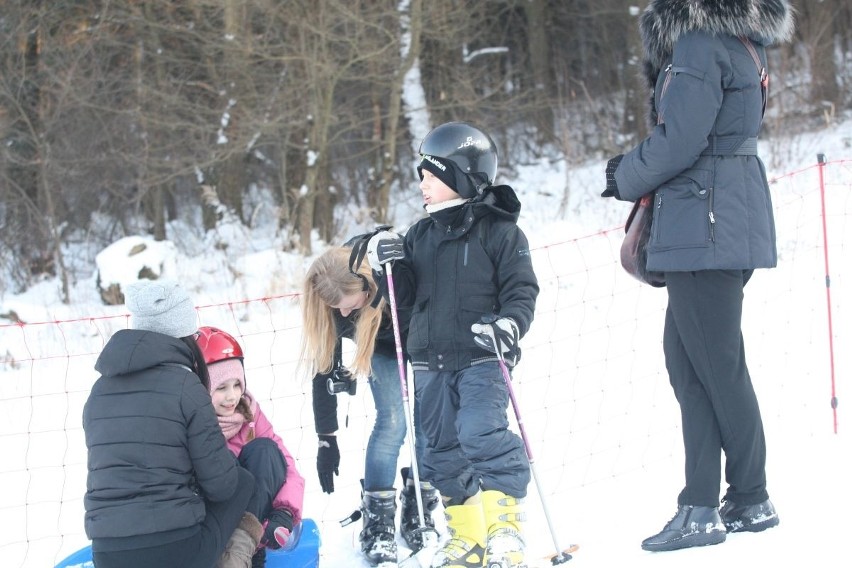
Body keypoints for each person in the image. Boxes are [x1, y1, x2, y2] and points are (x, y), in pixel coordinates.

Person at [600, 0, 795, 553]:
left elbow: (681, 139)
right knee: (697, 367)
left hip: (704, 224)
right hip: (720, 220)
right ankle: (715, 501)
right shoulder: (740, 43)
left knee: (713, 369)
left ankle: (737, 499)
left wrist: (623, 172)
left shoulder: (699, 46)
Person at [366, 121, 540, 568]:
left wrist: (509, 326)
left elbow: (522, 290)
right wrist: (389, 266)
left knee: (481, 432)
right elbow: (403, 301)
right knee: (440, 451)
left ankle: (505, 530)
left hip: (483, 356)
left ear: (461, 175)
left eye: (431, 174)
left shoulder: (500, 233)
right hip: (431, 362)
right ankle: (469, 538)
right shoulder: (420, 236)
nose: (421, 183)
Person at [82, 279, 263, 568]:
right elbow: (222, 486)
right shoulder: (185, 386)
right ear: (184, 336)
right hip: (175, 552)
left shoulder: (99, 390)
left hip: (107, 554)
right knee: (243, 481)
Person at [301, 246, 437, 566]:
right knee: (392, 420)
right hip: (379, 345)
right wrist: (326, 436)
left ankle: (419, 502)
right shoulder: (335, 296)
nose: (343, 314)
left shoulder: (396, 275)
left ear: (366, 285)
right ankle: (378, 519)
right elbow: (325, 370)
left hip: (422, 333)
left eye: (348, 306)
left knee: (429, 419)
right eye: (337, 308)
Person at [196, 326, 306, 568]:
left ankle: (248, 553)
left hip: (252, 526)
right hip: (212, 529)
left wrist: (284, 513)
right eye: (221, 388)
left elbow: (286, 467)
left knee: (265, 450)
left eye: (237, 384)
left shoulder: (250, 414)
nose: (232, 396)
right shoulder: (193, 426)